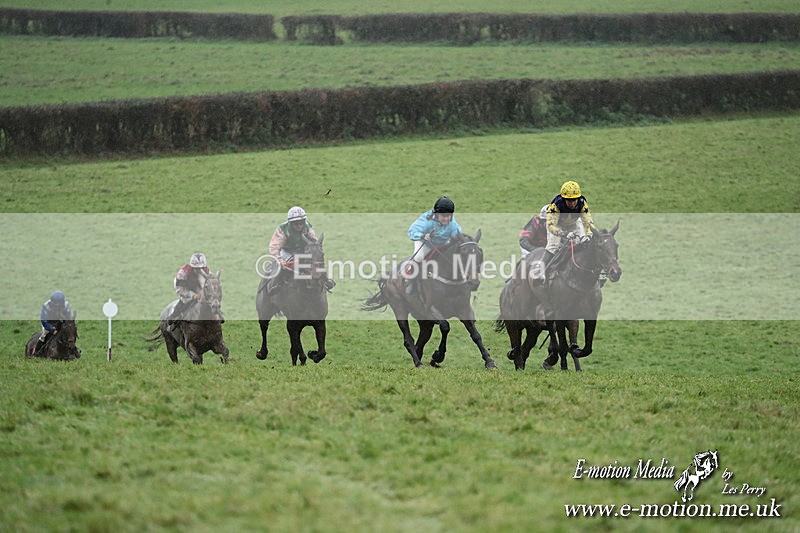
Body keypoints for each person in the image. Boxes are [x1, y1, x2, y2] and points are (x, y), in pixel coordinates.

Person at [405, 196, 463, 295]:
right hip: (425, 242)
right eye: (443, 216)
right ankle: (410, 279)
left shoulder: (452, 223)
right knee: (419, 257)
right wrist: (422, 235)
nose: (446, 218)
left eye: (449, 216)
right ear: (436, 214)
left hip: (442, 245)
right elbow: (412, 231)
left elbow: (458, 234)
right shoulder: (426, 220)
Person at [267, 206, 333, 294]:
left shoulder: (307, 226)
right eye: (296, 223)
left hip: (302, 251)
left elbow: (314, 241)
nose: (299, 225)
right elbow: (274, 247)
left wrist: (316, 251)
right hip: (287, 251)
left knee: (317, 262)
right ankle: (278, 284)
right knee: (282, 266)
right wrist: (279, 259)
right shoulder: (283, 229)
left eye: (301, 222)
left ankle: (325, 280)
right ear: (291, 222)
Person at [541, 180, 595, 273]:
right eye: (568, 200)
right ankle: (539, 271)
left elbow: (588, 221)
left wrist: (590, 234)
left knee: (582, 242)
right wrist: (564, 234)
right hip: (557, 224)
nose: (572, 203)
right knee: (553, 246)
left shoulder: (582, 202)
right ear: (563, 199)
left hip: (574, 222)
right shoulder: (556, 204)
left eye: (574, 200)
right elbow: (550, 225)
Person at [167, 252, 210, 327]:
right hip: (183, 285)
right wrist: (193, 296)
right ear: (192, 267)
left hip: (197, 285)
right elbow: (179, 290)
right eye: (196, 268)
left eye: (201, 268)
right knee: (185, 300)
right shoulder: (183, 273)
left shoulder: (207, 271)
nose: (199, 270)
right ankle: (174, 316)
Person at [32, 290, 72, 355]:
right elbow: (44, 321)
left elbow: (68, 318)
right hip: (49, 323)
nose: (58, 308)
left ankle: (73, 351)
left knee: (69, 334)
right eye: (56, 306)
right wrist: (52, 329)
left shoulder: (66, 305)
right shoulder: (46, 306)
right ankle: (36, 352)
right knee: (44, 335)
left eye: (59, 306)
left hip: (60, 321)